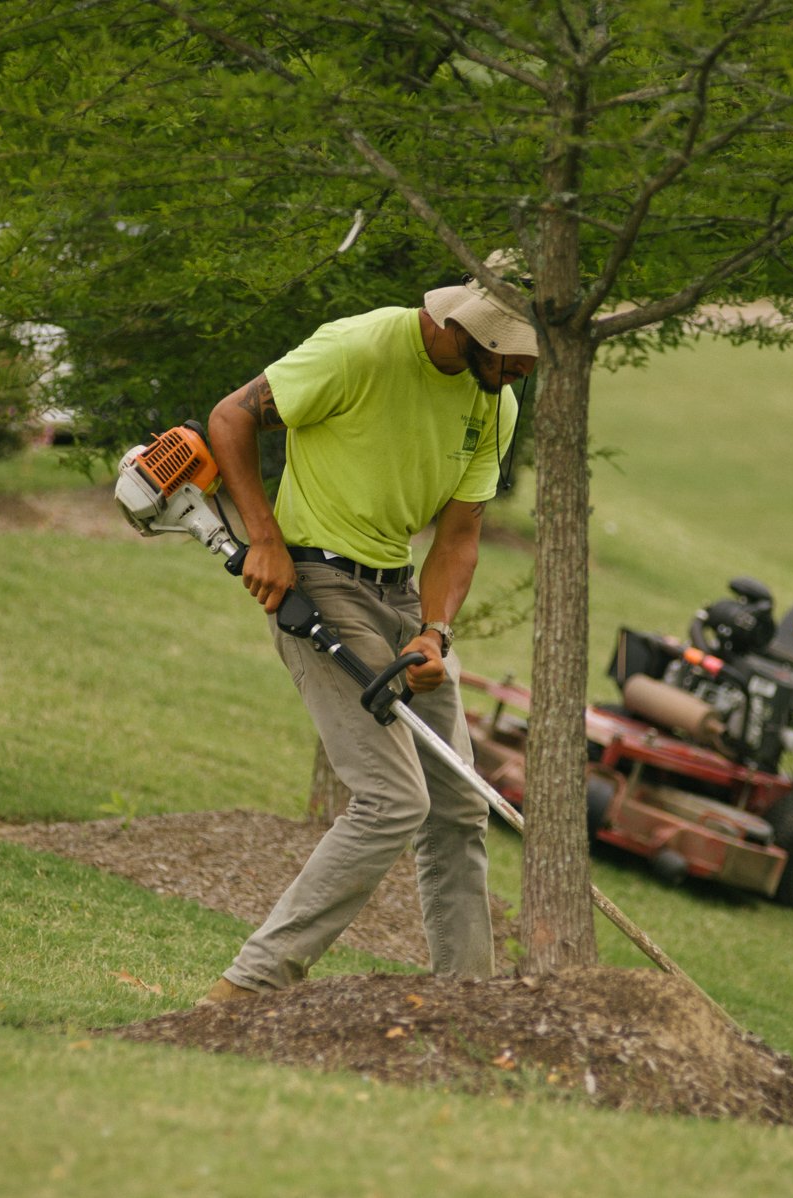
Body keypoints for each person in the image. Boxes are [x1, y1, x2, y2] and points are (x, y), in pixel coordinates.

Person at [199, 257, 536, 1000]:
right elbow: (230, 417)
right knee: (392, 799)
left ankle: (465, 1004)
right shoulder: (360, 347)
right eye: (512, 353)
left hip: (400, 596)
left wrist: (436, 633)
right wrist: (264, 537)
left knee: (457, 805)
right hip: (316, 583)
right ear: (468, 328)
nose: (519, 370)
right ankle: (246, 989)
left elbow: (459, 535)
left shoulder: (495, 402)